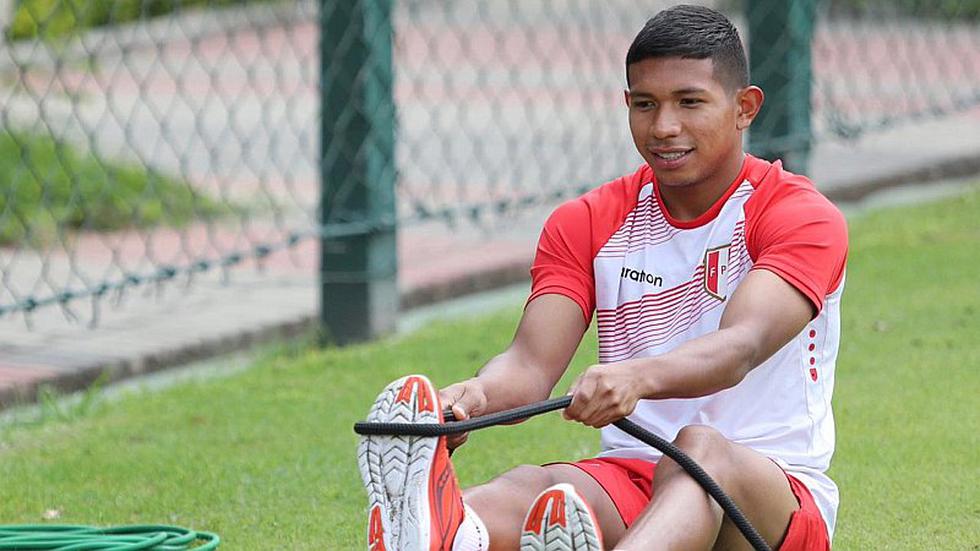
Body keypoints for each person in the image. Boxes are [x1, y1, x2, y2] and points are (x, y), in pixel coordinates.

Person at [357, 4, 847, 550]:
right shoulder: (586, 221)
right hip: (634, 475)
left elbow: (740, 347)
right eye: (645, 104)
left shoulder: (799, 215)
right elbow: (529, 365)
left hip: (772, 497)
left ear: (744, 108)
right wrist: (474, 397)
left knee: (700, 450)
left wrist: (635, 377)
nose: (664, 127)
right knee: (542, 489)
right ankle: (442, 529)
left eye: (689, 102)